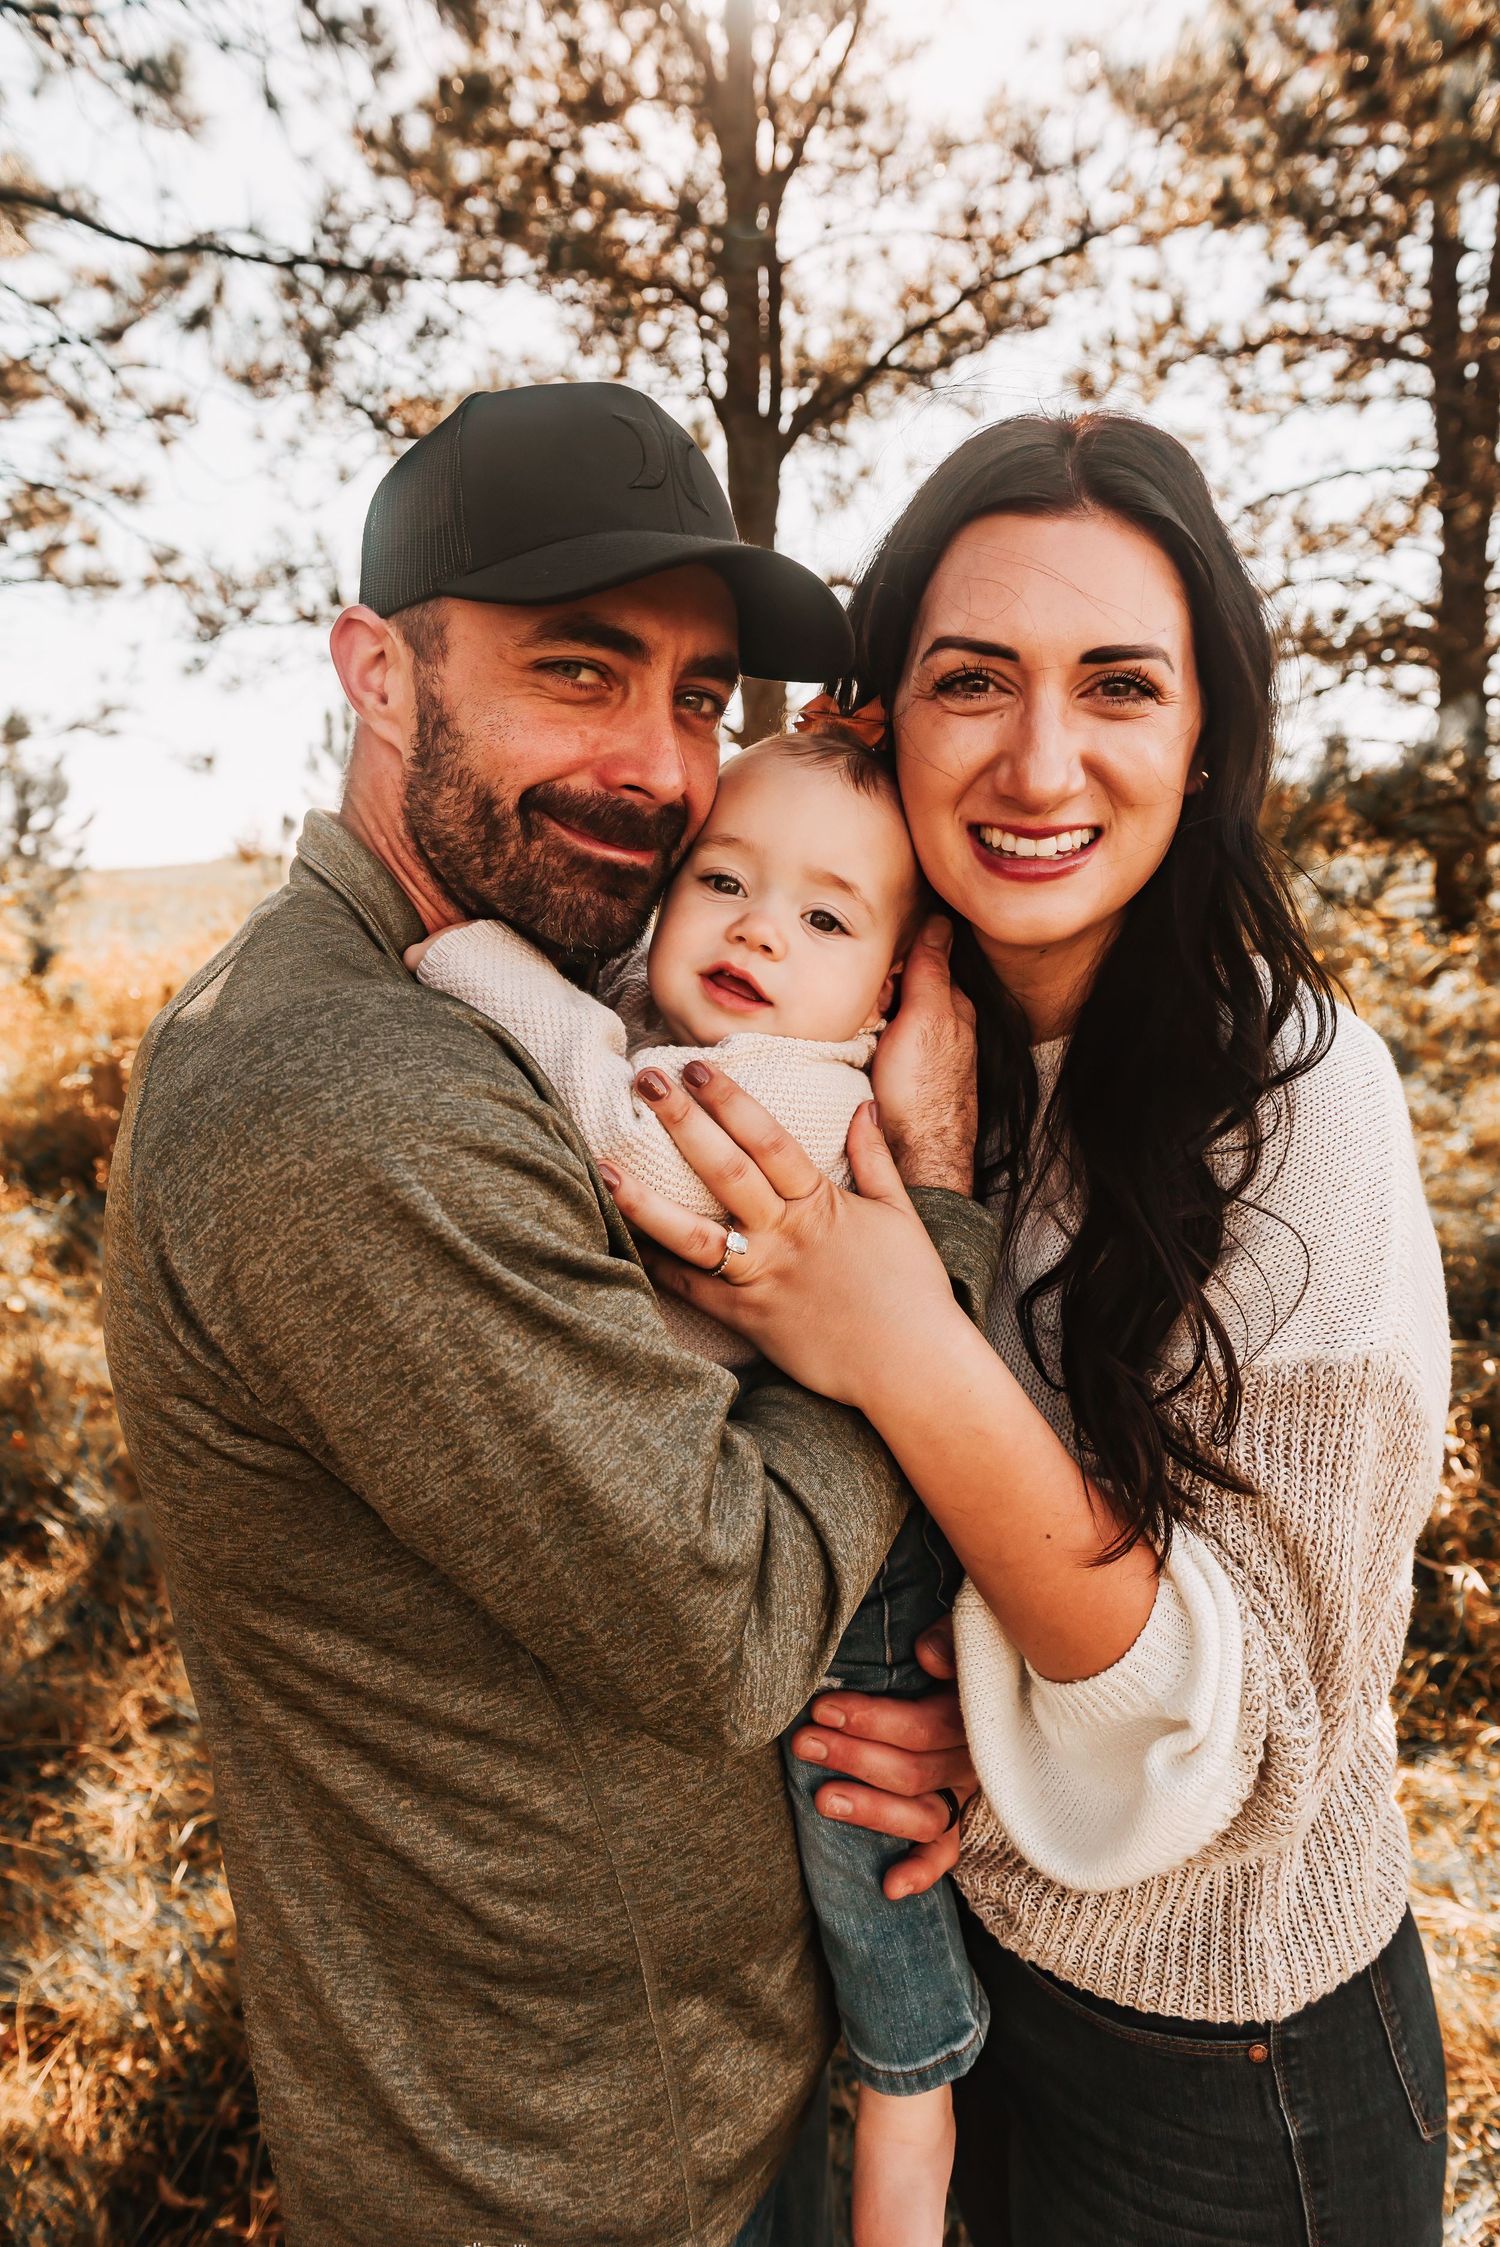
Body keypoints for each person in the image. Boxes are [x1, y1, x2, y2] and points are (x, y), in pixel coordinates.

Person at [99, 381, 984, 2247]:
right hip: (581, 2177)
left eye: (699, 697)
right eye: (579, 671)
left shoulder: (502, 984)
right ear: (379, 673)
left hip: (687, 2093)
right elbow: (735, 1621)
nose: (662, 772)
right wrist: (933, 1239)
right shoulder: (351, 1096)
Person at [607, 411, 1453, 2246]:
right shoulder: (856, 1033)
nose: (1040, 760)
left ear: (1206, 732)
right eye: (973, 680)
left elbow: (1254, 1734)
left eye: (1120, 685)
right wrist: (966, 1733)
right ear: (879, 718)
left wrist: (898, 1328)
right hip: (946, 1985)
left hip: (1231, 2064)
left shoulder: (1298, 1102)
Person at [410, 727, 988, 2246]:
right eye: (725, 881)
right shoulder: (692, 1020)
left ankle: (912, 2130)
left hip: (864, 1573)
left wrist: (476, 960)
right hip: (789, 1498)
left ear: (887, 998)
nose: (759, 930)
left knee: (867, 1866)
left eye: (824, 916)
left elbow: (639, 1151)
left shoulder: (787, 1091)